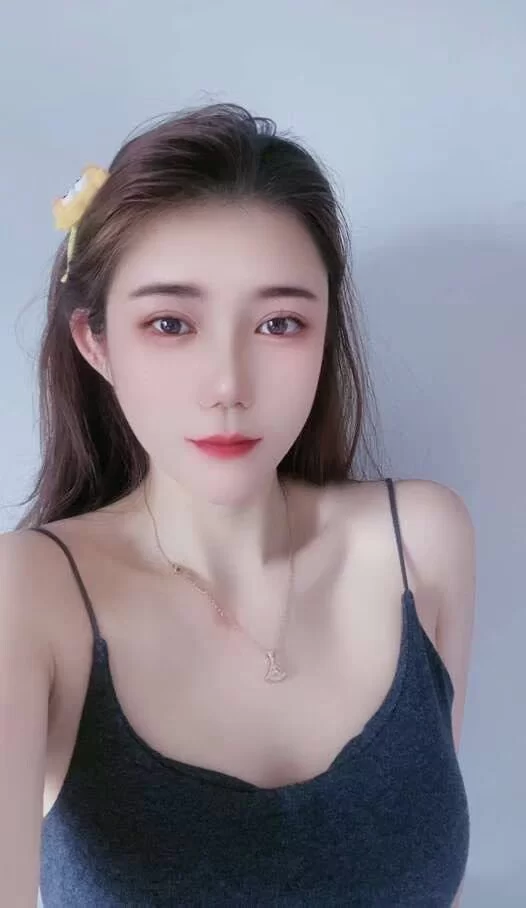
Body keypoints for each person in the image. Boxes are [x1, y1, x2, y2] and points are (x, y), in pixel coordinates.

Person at [0, 102, 475, 907]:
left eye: (280, 323)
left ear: (325, 336)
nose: (229, 385)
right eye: (170, 323)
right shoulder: (31, 595)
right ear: (96, 344)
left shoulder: (420, 544)